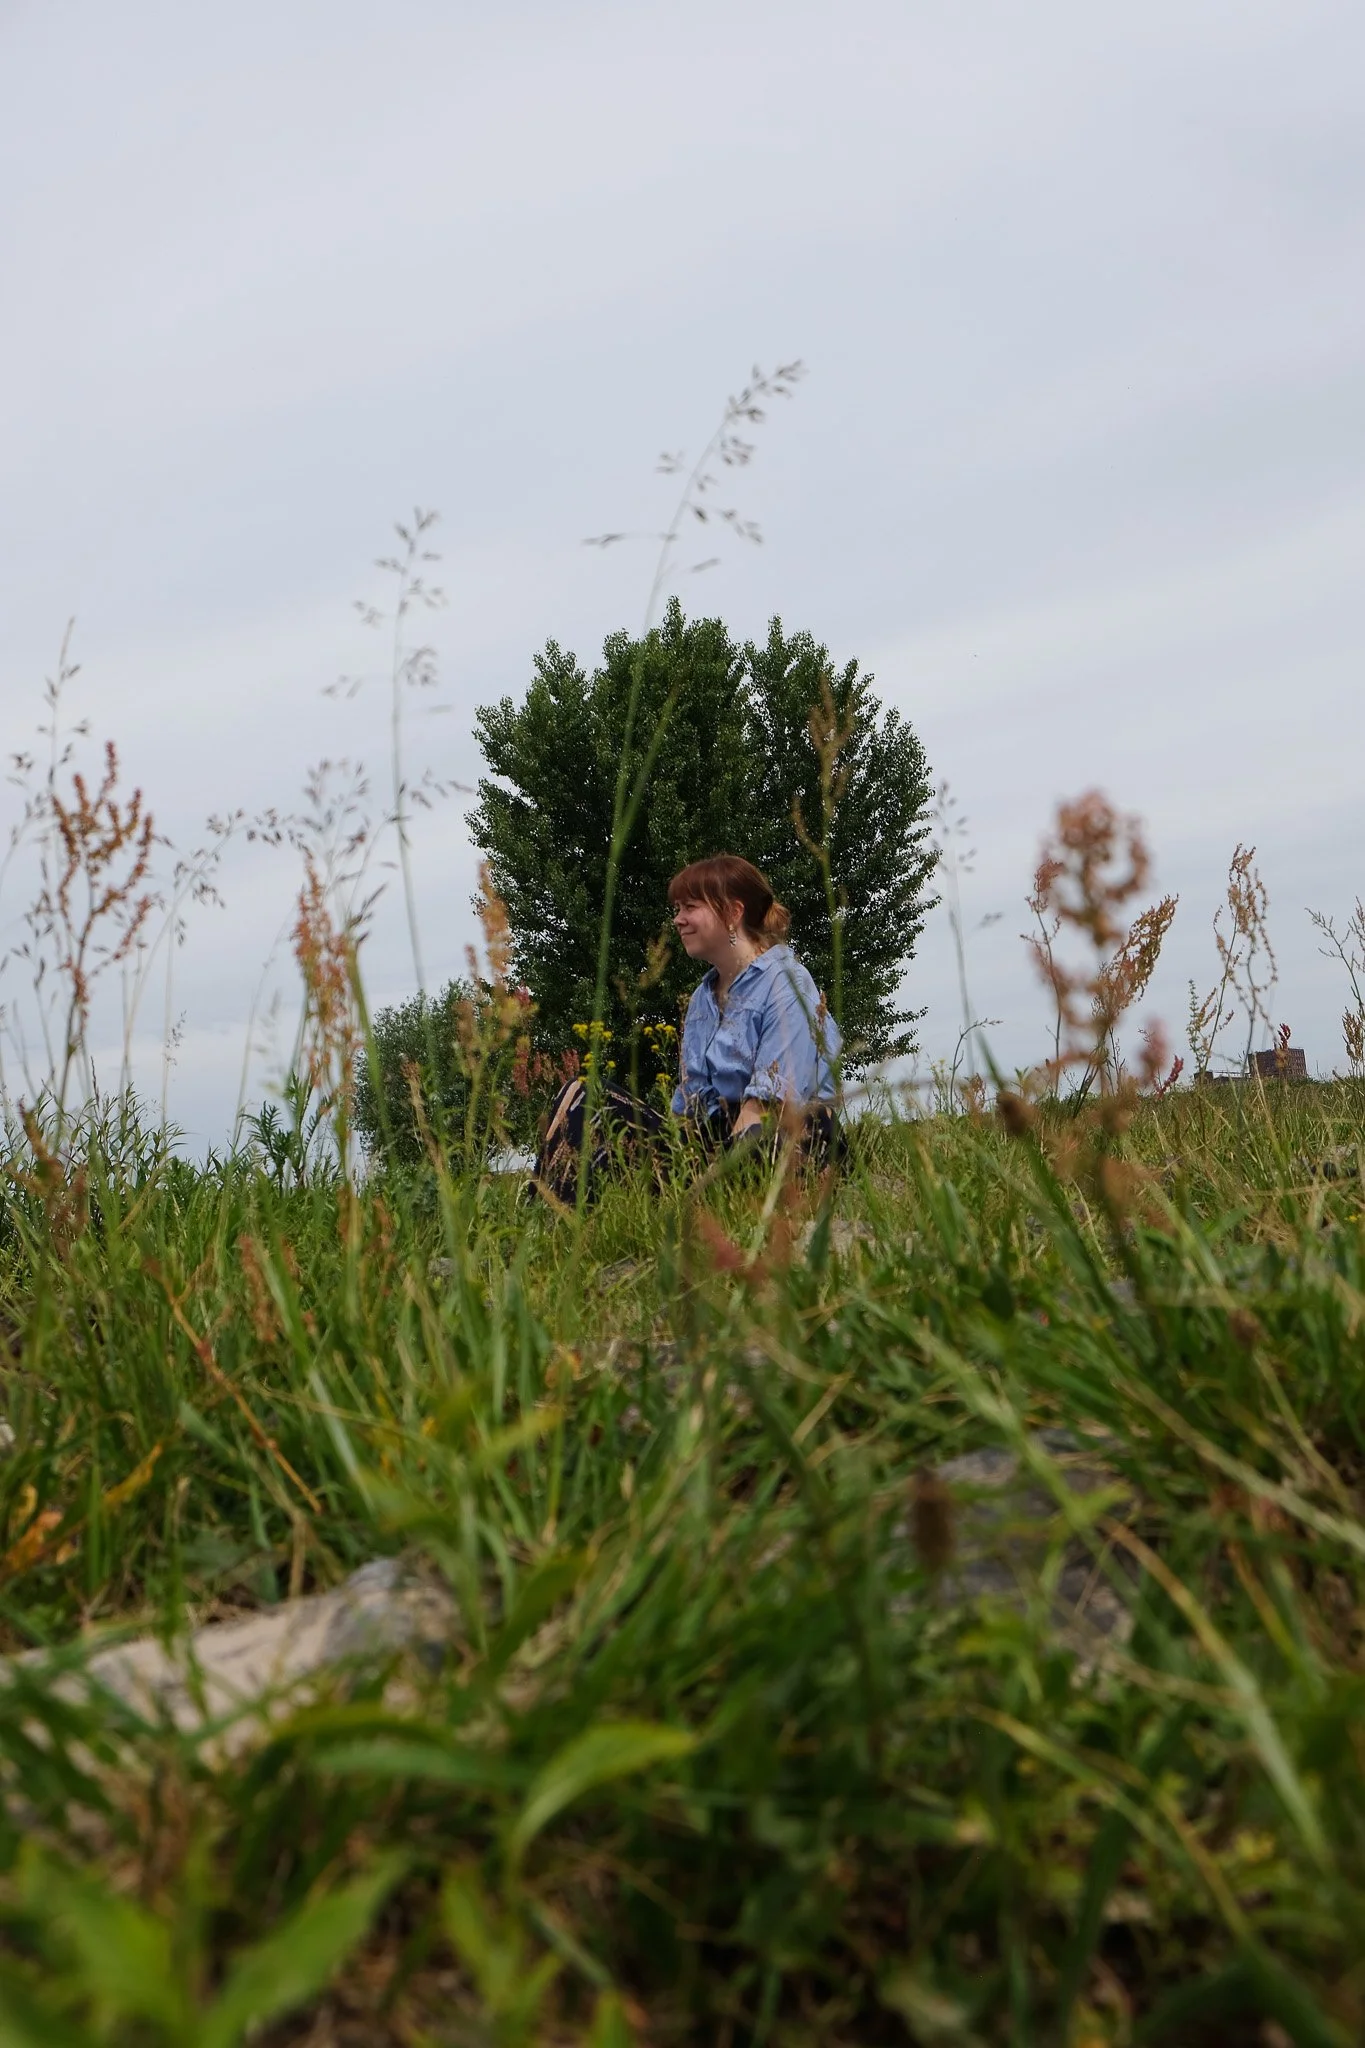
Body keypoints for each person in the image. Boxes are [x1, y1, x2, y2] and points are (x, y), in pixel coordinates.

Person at [534, 853, 842, 1205]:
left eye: (690, 907)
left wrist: (697, 1189)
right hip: (717, 1145)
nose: (677, 920)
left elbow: (768, 1106)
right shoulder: (701, 1000)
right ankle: (550, 1229)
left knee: (755, 1139)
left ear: (732, 913)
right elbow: (688, 1117)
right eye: (677, 908)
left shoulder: (786, 981)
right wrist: (670, 1160)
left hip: (784, 1139)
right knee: (585, 1096)